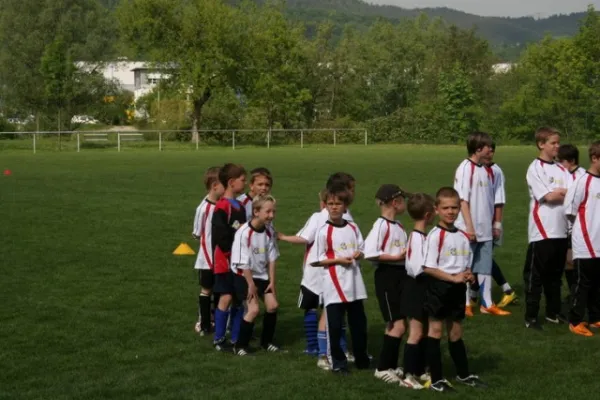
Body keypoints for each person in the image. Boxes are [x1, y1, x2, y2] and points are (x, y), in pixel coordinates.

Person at [278, 188, 354, 370]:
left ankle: (319, 349)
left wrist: (282, 237)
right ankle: (332, 350)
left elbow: (303, 238)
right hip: (330, 271)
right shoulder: (342, 217)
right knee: (332, 311)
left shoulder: (324, 218)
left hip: (319, 270)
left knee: (318, 309)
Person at [423, 187, 486, 392]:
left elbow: (466, 263)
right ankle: (436, 378)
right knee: (436, 330)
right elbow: (428, 267)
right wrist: (452, 277)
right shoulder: (435, 236)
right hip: (439, 287)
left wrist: (468, 273)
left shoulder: (462, 236)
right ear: (437, 209)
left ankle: (463, 374)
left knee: (456, 331)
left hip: (458, 288)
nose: (450, 212)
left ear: (460, 208)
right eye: (446, 208)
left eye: (454, 208)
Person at [308, 184, 370, 374]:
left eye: (338, 203)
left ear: (345, 206)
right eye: (330, 203)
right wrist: (338, 260)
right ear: (325, 206)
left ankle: (362, 359)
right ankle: (338, 363)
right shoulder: (323, 232)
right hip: (334, 286)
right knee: (334, 327)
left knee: (359, 324)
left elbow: (362, 247)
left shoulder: (352, 226)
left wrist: (359, 254)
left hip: (354, 284)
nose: (334, 207)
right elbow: (317, 260)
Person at [454, 132, 510, 317]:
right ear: (478, 149)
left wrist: (496, 224)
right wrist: (469, 227)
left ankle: (487, 303)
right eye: (488, 148)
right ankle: (465, 303)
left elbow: (494, 200)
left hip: (485, 229)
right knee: (465, 266)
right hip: (468, 229)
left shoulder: (487, 170)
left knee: (484, 267)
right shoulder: (465, 168)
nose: (491, 151)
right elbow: (462, 200)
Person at [523, 127, 570, 330]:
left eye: (558, 143)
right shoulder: (535, 168)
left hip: (561, 230)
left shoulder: (562, 169)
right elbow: (548, 197)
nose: (557, 146)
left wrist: (560, 192)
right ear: (541, 144)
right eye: (553, 143)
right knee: (535, 277)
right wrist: (559, 193)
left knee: (555, 277)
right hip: (542, 231)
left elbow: (573, 194)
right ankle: (531, 317)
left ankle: (553, 313)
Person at [364, 184, 410, 385]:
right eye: (403, 200)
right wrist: (396, 256)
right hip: (387, 276)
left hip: (401, 275)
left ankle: (389, 366)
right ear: (395, 202)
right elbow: (370, 253)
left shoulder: (398, 226)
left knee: (397, 323)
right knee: (397, 325)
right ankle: (382, 368)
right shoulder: (381, 225)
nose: (406, 204)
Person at [231, 195, 282, 354]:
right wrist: (251, 285)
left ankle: (266, 343)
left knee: (273, 306)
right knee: (253, 310)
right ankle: (240, 346)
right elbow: (243, 262)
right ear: (256, 212)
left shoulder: (269, 230)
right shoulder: (243, 232)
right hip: (244, 277)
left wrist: (272, 282)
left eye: (273, 212)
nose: (271, 216)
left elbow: (272, 258)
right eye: (268, 212)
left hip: (262, 276)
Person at [564, 141, 600, 337]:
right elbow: (570, 211)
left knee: (597, 283)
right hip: (585, 242)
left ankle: (595, 317)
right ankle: (576, 320)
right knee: (582, 283)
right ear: (594, 158)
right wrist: (572, 241)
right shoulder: (582, 181)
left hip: (599, 241)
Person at [211, 163, 248, 351]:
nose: (246, 183)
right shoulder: (222, 207)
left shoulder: (240, 206)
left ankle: (235, 337)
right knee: (225, 296)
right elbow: (220, 235)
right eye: (243, 180)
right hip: (225, 261)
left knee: (239, 297)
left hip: (238, 261)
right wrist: (229, 255)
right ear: (232, 182)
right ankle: (219, 338)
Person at [402, 193, 436, 389]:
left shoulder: (421, 236)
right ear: (428, 215)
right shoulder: (417, 238)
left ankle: (420, 370)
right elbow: (416, 268)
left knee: (421, 331)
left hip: (421, 288)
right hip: (416, 289)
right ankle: (408, 375)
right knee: (415, 333)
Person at [193, 166, 224, 336]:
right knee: (207, 290)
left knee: (220, 290)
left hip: (221, 257)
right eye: (224, 185)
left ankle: (218, 322)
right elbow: (197, 233)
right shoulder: (203, 209)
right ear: (214, 186)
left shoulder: (223, 205)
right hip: (206, 259)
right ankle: (203, 322)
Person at [557, 144, 586, 299]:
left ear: (572, 160)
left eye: (562, 161)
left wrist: (565, 193)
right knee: (567, 263)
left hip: (577, 228)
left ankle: (579, 294)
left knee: (573, 262)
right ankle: (575, 292)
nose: (559, 165)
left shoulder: (581, 176)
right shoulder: (566, 175)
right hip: (566, 227)